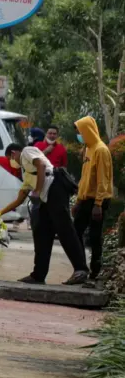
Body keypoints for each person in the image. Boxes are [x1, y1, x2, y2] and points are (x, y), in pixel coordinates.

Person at [0, 143, 88, 285]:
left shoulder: (27, 151)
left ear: (13, 153)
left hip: (55, 188)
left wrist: (37, 191)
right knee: (41, 233)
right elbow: (20, 199)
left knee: (65, 230)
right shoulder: (26, 172)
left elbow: (41, 165)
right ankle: (38, 275)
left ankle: (80, 269)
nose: (12, 162)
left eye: (10, 158)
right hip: (45, 198)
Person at [72, 116, 113, 280]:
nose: (78, 135)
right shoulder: (87, 149)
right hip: (86, 199)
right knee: (75, 233)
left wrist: (98, 204)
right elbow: (85, 178)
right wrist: (78, 201)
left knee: (94, 236)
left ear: (87, 131)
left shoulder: (101, 150)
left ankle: (95, 271)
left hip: (97, 200)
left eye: (80, 132)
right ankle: (81, 268)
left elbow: (103, 179)